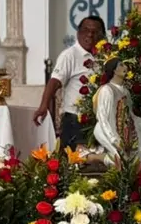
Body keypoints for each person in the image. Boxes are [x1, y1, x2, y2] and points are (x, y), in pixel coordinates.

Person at [33, 15, 106, 150]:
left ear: (103, 35)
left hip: (98, 121)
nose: (90, 35)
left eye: (95, 32)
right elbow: (54, 81)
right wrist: (43, 106)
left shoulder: (104, 56)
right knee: (75, 164)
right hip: (76, 121)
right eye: (86, 30)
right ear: (78, 33)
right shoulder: (70, 55)